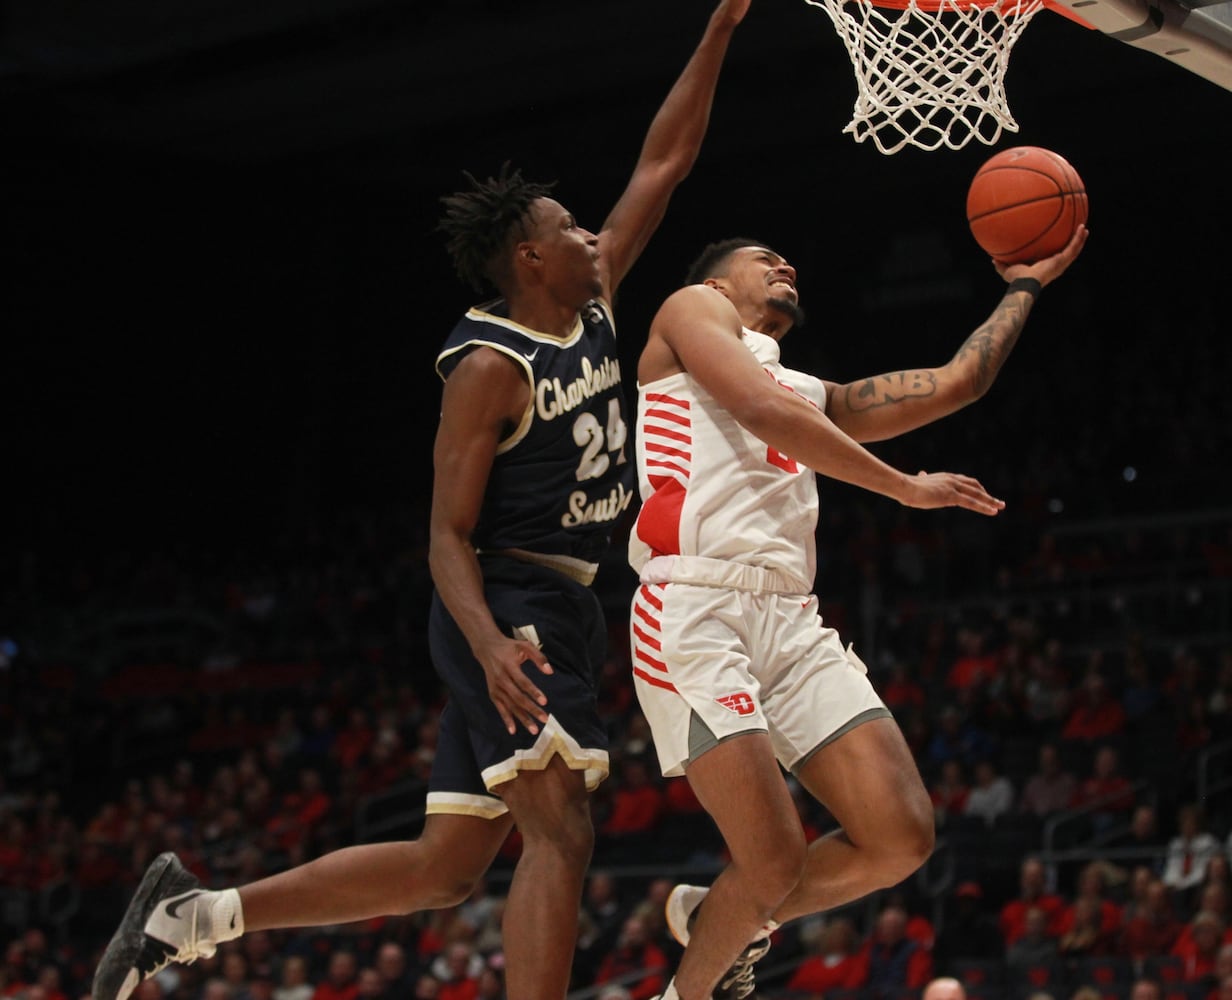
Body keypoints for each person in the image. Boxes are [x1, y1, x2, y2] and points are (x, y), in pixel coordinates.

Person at [89, 6, 752, 1000]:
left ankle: (195, 914)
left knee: (445, 868)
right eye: (566, 226)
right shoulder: (489, 364)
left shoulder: (592, 305)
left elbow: (663, 164)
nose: (588, 232)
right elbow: (443, 534)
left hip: (565, 605)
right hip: (503, 600)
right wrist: (488, 643)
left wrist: (720, 25)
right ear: (528, 258)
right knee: (562, 828)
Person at [627, 221, 1086, 1000]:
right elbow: (756, 409)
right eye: (762, 258)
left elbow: (956, 383)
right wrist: (904, 486)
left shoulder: (813, 394)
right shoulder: (687, 312)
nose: (786, 261)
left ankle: (721, 916)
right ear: (715, 284)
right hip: (696, 605)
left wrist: (1024, 285)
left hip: (791, 618)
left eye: (786, 255)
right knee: (771, 858)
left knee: (900, 836)